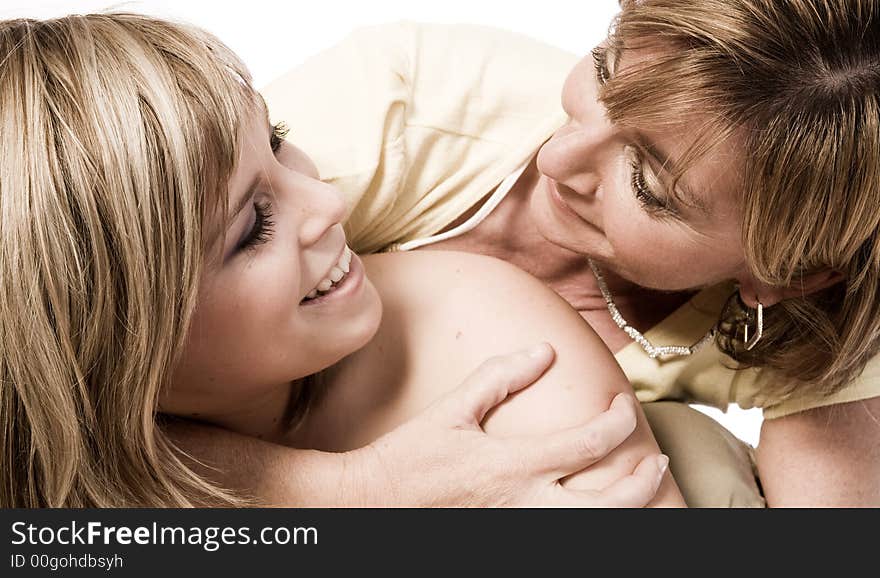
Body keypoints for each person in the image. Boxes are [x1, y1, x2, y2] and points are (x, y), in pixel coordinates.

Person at [0, 13, 678, 507]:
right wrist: (358, 493)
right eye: (252, 228)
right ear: (111, 351)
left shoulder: (509, 362)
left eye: (278, 136)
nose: (327, 202)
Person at [249, 0, 880, 507]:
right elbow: (148, 435)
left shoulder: (822, 323)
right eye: (606, 70)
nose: (556, 157)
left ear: (789, 276)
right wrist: (362, 489)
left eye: (647, 186)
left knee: (697, 458)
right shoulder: (389, 112)